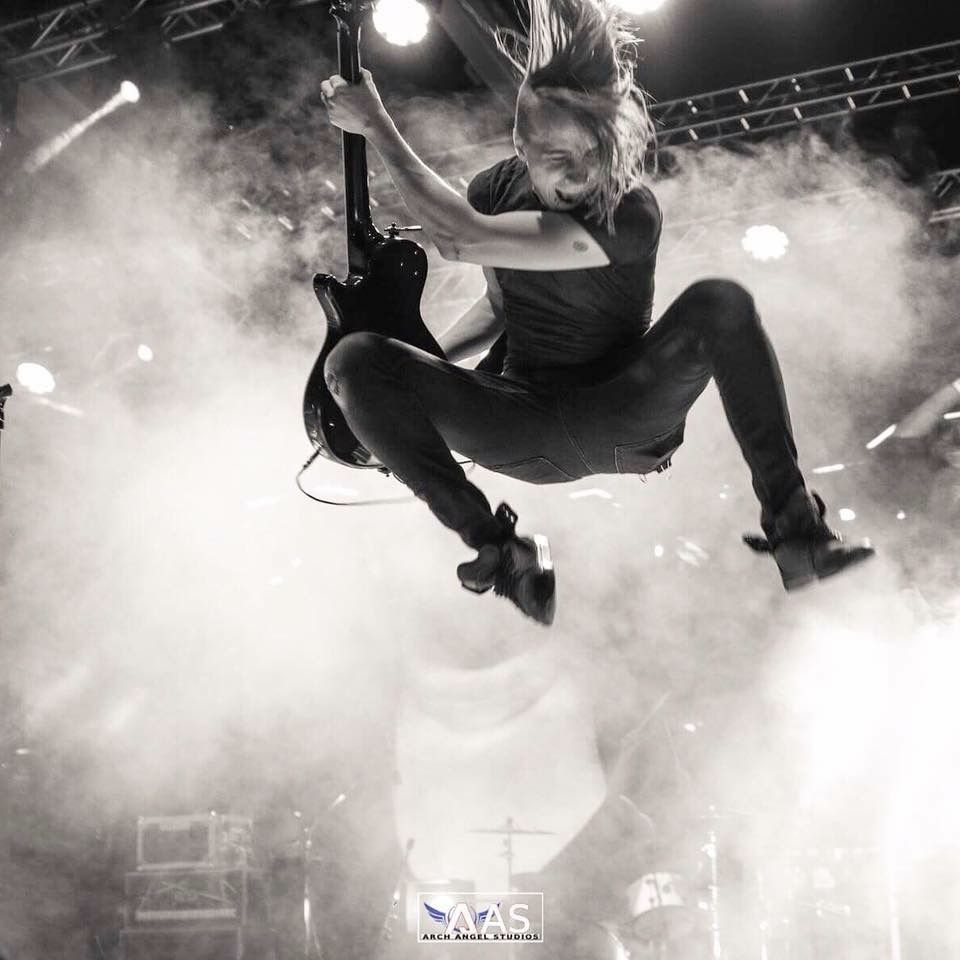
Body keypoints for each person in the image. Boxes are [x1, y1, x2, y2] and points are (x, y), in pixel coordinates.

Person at [318, 0, 874, 626]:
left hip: (624, 413)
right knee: (354, 360)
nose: (580, 175)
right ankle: (500, 551)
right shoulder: (493, 191)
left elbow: (459, 239)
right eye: (557, 157)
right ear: (521, 141)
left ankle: (796, 529)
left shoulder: (628, 214)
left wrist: (376, 125)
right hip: (521, 422)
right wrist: (413, 378)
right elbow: (499, 305)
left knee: (720, 301)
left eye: (591, 154)